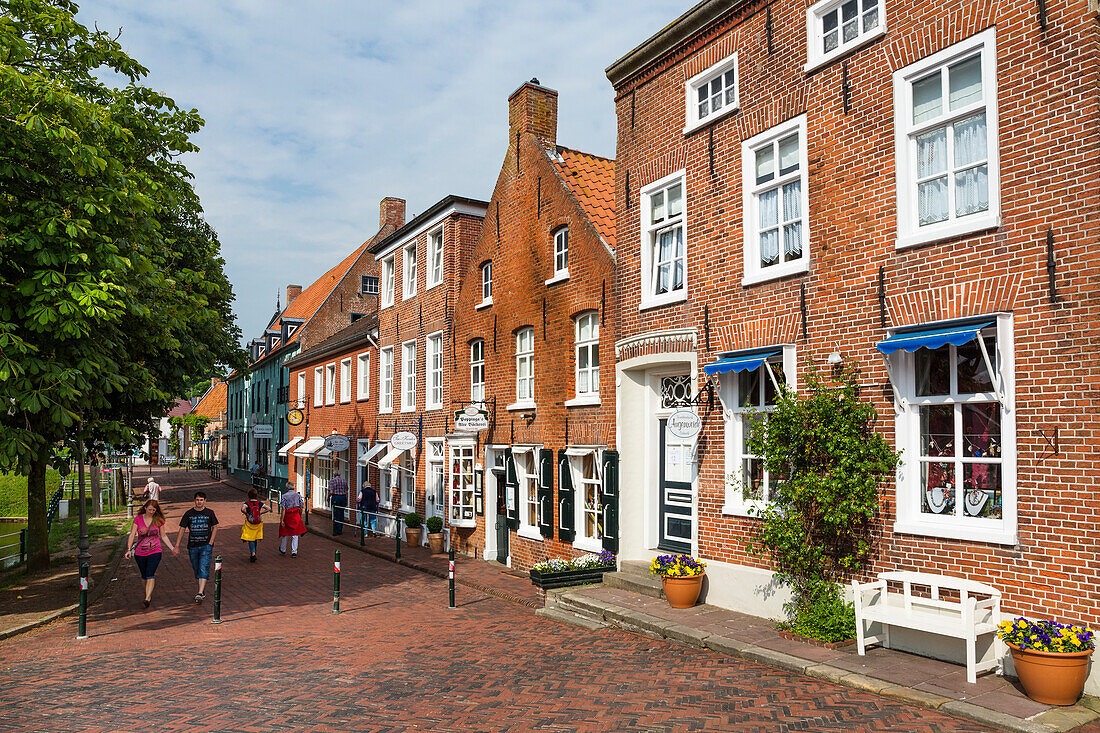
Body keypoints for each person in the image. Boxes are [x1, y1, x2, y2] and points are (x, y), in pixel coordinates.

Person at [124, 499, 176, 608]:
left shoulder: (159, 520)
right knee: (144, 575)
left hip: (155, 551)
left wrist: (172, 547)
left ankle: (147, 598)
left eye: (153, 510)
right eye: (149, 509)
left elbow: (163, 535)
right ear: (145, 508)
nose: (151, 512)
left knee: (150, 573)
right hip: (140, 553)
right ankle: (148, 593)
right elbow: (132, 534)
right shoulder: (138, 519)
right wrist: (129, 549)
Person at [175, 491, 219, 603]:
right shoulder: (188, 514)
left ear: (205, 501)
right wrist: (177, 545)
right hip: (193, 546)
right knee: (196, 568)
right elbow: (182, 529)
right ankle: (202, 588)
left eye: (201, 500)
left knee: (203, 567)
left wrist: (211, 542)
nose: (199, 502)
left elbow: (215, 527)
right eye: (197, 500)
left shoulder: (210, 513)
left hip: (206, 546)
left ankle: (200, 592)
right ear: (194, 500)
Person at [240, 488, 271, 562]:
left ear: (249, 495)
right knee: (255, 537)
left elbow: (242, 509)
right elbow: (269, 508)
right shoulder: (259, 503)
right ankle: (254, 552)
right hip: (257, 523)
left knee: (251, 538)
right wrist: (260, 513)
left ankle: (253, 554)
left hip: (250, 522)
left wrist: (247, 514)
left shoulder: (247, 503)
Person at [278, 482, 307, 557]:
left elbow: (283, 508)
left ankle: (283, 549)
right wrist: (299, 515)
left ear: (287, 488)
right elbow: (301, 507)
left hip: (288, 515)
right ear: (294, 487)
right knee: (295, 533)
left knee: (285, 532)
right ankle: (294, 551)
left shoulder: (284, 496)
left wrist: (282, 519)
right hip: (296, 514)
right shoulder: (298, 495)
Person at [328, 471, 349, 535]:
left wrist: (328, 497)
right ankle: (340, 529)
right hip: (342, 497)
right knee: (341, 513)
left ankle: (336, 530)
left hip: (336, 497)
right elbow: (346, 492)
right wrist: (346, 500)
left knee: (335, 513)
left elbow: (331, 492)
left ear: (334, 475)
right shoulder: (344, 481)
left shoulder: (332, 481)